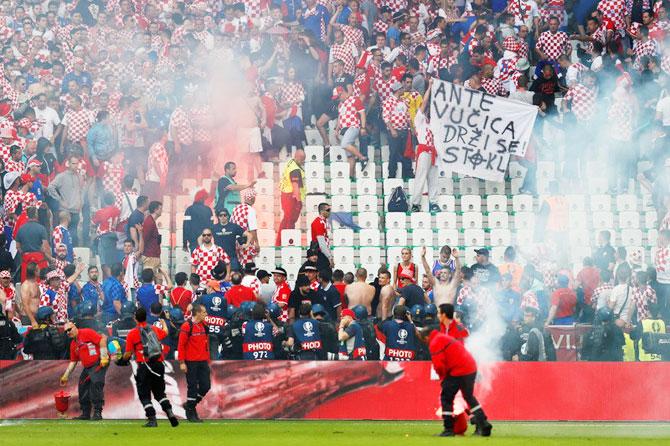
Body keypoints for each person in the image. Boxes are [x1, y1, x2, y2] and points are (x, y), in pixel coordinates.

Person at [422, 327, 493, 437]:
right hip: (470, 367)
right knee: (468, 397)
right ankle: (483, 423)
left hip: (458, 370)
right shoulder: (444, 337)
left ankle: (448, 429)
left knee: (446, 398)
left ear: (426, 337)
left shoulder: (435, 342)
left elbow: (439, 365)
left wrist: (443, 378)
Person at [118, 307, 179, 427]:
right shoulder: (154, 329)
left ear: (135, 319)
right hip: (158, 364)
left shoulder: (132, 333)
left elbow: (128, 354)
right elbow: (165, 333)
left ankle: (152, 419)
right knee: (160, 393)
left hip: (144, 366)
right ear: (146, 317)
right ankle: (170, 412)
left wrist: (121, 361)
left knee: (144, 394)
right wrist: (163, 323)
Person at [59, 321, 109, 421]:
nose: (68, 332)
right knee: (82, 386)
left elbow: (102, 341)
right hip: (88, 367)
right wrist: (65, 376)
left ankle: (98, 412)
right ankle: (85, 413)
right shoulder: (73, 344)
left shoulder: (87, 332)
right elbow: (73, 362)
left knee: (96, 384)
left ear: (75, 327)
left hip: (98, 362)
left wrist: (104, 357)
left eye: (70, 329)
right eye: (66, 332)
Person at [178, 303, 211, 423]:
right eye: (204, 312)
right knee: (192, 387)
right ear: (197, 313)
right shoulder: (187, 326)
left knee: (206, 385)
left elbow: (206, 344)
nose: (206, 314)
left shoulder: (204, 325)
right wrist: (182, 362)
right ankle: (191, 412)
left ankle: (190, 405)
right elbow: (181, 345)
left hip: (202, 361)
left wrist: (208, 359)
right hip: (191, 361)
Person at [47, 154, 85, 245]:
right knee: (64, 235)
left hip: (76, 210)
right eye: (73, 163)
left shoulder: (79, 177)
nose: (75, 165)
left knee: (74, 235)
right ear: (68, 164)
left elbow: (81, 191)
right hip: (65, 211)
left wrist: (81, 202)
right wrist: (59, 200)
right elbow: (50, 187)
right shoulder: (62, 176)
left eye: (77, 163)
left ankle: (74, 255)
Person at [276, 148, 306, 245]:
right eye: (302, 159)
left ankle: (280, 242)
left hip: (286, 195)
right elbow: (295, 186)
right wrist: (298, 201)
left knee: (287, 220)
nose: (303, 162)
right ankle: (287, 242)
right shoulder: (295, 169)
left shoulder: (291, 163)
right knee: (290, 221)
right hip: (291, 198)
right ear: (297, 157)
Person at [15, 206, 52, 282]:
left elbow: (18, 246)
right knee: (41, 286)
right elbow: (45, 247)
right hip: (40, 260)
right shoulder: (41, 228)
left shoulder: (21, 229)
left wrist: (24, 254)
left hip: (26, 261)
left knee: (26, 285)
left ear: (27, 215)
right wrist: (50, 259)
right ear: (36, 214)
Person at [197, 280, 228, 359]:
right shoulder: (224, 300)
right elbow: (225, 316)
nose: (206, 289)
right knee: (214, 355)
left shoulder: (203, 298)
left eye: (207, 287)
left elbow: (193, 309)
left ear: (211, 288)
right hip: (217, 333)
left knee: (201, 354)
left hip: (204, 332)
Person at [142, 201, 163, 271]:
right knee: (149, 278)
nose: (161, 211)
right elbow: (144, 238)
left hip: (154, 255)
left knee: (158, 279)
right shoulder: (149, 222)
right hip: (150, 256)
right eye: (160, 209)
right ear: (155, 210)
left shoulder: (152, 221)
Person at [310, 203, 333, 267]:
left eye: (330, 210)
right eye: (328, 210)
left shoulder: (324, 221)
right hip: (320, 254)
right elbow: (322, 244)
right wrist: (330, 257)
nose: (329, 212)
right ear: (322, 211)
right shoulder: (318, 222)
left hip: (323, 253)